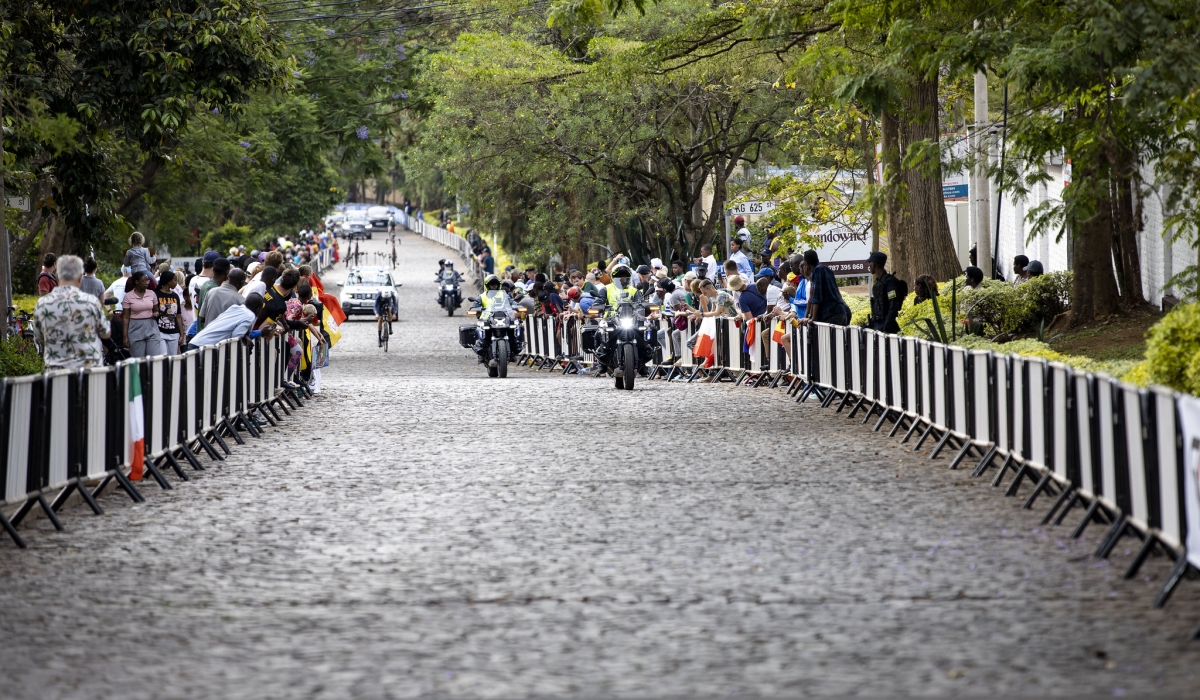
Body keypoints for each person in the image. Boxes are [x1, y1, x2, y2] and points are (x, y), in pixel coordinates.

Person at [31, 255, 110, 369]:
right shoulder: (92, 302)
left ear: (57, 276)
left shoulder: (42, 304)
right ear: (79, 277)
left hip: (57, 372)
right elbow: (105, 333)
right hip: (90, 371)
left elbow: (39, 337)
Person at [185, 293, 270, 350]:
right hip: (203, 347)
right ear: (258, 309)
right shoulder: (250, 315)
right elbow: (236, 336)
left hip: (196, 342)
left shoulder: (236, 308)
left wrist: (256, 333)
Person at [799, 250, 850, 326]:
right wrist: (806, 317)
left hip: (831, 315)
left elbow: (816, 297)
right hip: (841, 312)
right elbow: (811, 297)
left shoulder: (817, 271)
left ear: (806, 263)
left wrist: (813, 318)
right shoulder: (827, 270)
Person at [122, 271, 167, 357]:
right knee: (139, 361)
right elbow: (126, 317)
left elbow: (156, 310)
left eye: (148, 281)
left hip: (151, 326)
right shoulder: (128, 296)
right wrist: (125, 336)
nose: (147, 283)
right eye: (144, 281)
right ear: (136, 282)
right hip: (135, 328)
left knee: (153, 359)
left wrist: (156, 313)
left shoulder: (151, 294)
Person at [867, 251, 904, 334]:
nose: (869, 265)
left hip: (886, 327)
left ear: (874, 264)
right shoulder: (877, 282)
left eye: (870, 262)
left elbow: (893, 304)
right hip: (877, 325)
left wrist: (887, 327)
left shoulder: (890, 282)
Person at [156, 271, 185, 353]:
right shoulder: (156, 294)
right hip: (160, 332)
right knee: (163, 358)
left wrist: (181, 334)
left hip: (174, 333)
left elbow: (178, 317)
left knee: (172, 360)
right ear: (169, 282)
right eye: (175, 280)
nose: (176, 283)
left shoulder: (175, 296)